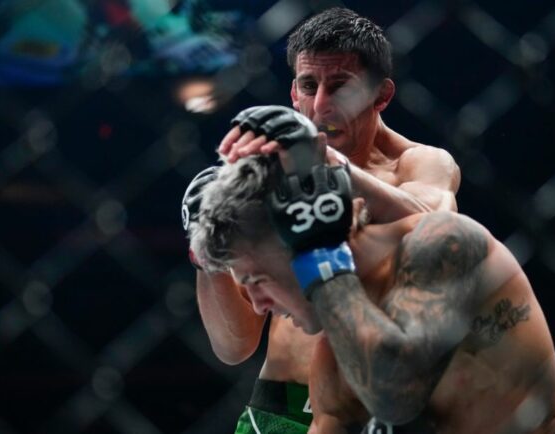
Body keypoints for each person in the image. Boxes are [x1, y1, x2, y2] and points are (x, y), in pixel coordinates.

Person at [189, 106, 555, 433]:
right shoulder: (333, 356)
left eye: (257, 280)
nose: (257, 305)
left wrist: (321, 259)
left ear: (300, 239)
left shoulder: (443, 243)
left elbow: (397, 390)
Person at [183, 8, 460, 433]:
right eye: (309, 86)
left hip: (375, 408)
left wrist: (330, 165)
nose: (320, 105)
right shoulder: (271, 176)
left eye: (341, 87)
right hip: (279, 413)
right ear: (294, 92)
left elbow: (438, 226)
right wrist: (208, 255)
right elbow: (233, 347)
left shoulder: (418, 163)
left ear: (380, 95)